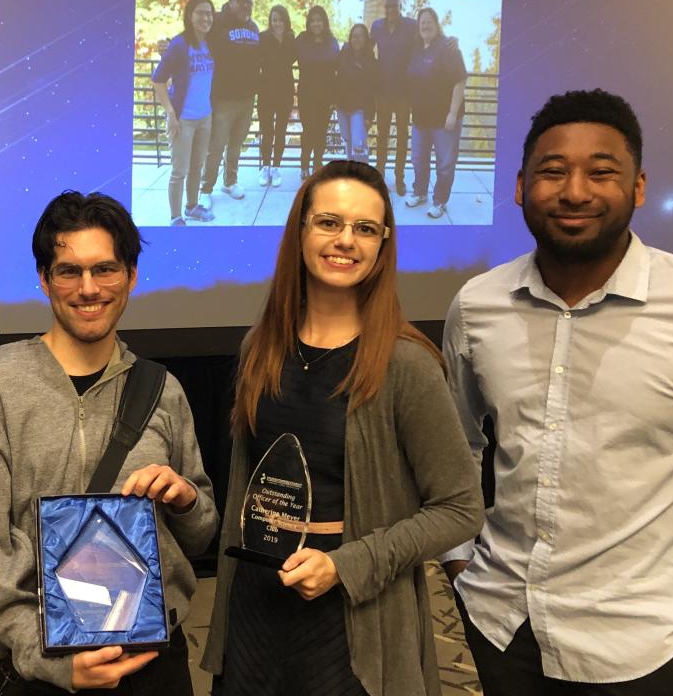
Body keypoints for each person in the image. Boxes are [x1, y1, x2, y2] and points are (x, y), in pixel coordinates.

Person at [440, 88, 673, 696]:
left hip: (652, 647)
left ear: (638, 187)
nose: (576, 191)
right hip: (501, 625)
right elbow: (455, 449)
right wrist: (460, 565)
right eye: (552, 171)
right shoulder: (477, 306)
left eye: (601, 172)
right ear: (519, 186)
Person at [202, 160, 483, 695]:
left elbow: (460, 507)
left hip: (350, 624)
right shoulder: (259, 349)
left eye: (365, 228)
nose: (345, 240)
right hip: (256, 609)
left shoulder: (407, 365)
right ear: (301, 230)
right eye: (329, 222)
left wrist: (347, 566)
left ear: (382, 244)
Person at [0, 191, 218, 694]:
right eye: (69, 271)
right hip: (38, 666)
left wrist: (184, 499)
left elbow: (202, 535)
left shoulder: (163, 390)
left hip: (152, 663)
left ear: (132, 277)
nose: (88, 288)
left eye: (105, 269)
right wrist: (45, 658)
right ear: (45, 279)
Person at [153, 0, 216, 226]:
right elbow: (158, 80)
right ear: (190, 16)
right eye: (201, 12)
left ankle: (192, 207)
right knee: (179, 170)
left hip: (205, 117)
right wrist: (171, 113)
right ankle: (175, 217)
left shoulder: (211, 43)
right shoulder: (180, 45)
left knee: (197, 166)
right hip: (183, 119)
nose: (206, 18)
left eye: (209, 13)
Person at [198, 0, 260, 211]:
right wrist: (167, 43)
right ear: (231, 1)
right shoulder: (217, 21)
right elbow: (193, 36)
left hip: (246, 99)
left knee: (236, 145)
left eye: (250, 2)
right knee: (216, 146)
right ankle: (205, 189)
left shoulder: (253, 27)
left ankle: (230, 182)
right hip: (223, 99)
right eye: (242, 1)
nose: (246, 6)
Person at [404, 7, 466, 220]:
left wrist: (452, 112)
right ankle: (420, 193)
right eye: (422, 22)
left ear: (437, 24)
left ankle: (439, 201)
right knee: (418, 158)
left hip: (444, 120)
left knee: (445, 164)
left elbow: (460, 81)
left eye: (429, 21)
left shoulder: (448, 48)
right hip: (421, 118)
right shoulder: (416, 49)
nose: (425, 25)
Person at [370, 0, 419, 195]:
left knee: (402, 135)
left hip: (403, 93)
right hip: (383, 91)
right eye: (388, 6)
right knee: (381, 135)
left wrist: (450, 41)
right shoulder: (377, 26)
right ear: (385, 8)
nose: (391, 10)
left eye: (395, 6)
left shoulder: (411, 26)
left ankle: (399, 178)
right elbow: (365, 49)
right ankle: (380, 175)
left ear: (400, 7)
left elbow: (425, 44)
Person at [295, 6, 339, 180]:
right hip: (306, 94)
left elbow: (338, 68)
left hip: (326, 95)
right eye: (313, 20)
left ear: (325, 22)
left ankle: (317, 164)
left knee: (321, 132)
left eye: (319, 20)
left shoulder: (332, 42)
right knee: (308, 131)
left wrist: (335, 96)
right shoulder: (301, 40)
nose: (316, 23)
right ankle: (304, 164)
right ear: (308, 23)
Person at [257, 4, 296, 189]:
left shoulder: (291, 38)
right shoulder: (262, 38)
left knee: (281, 131)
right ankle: (265, 166)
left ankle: (276, 167)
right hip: (265, 91)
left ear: (285, 21)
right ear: (270, 21)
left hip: (286, 91)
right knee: (267, 131)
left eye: (280, 19)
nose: (277, 23)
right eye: (274, 20)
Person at [334, 24, 379, 163]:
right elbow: (333, 75)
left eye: (360, 36)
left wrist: (370, 115)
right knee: (348, 141)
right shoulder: (343, 55)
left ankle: (361, 176)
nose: (356, 39)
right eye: (354, 36)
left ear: (366, 39)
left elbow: (372, 91)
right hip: (342, 108)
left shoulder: (371, 62)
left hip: (359, 110)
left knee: (358, 146)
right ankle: (352, 173)